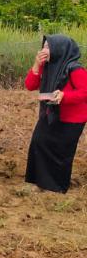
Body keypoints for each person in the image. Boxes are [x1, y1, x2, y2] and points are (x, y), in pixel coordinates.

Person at [25, 35, 87, 193]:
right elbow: (30, 85)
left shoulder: (75, 68)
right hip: (50, 114)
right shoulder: (48, 66)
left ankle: (57, 188)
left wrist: (65, 96)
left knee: (61, 153)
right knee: (39, 143)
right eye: (43, 46)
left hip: (72, 119)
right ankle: (39, 183)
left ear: (60, 49)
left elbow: (84, 92)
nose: (44, 50)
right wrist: (36, 65)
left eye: (48, 47)